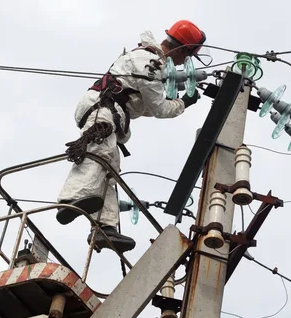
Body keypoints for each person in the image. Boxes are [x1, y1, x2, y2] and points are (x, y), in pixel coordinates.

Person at [56, 20, 206, 252]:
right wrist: (183, 102)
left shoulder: (147, 60)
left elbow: (142, 106)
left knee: (110, 169)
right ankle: (69, 201)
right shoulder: (151, 65)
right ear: (181, 49)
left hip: (110, 110)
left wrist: (176, 100)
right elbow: (158, 109)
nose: (183, 63)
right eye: (186, 56)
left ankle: (105, 229)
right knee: (99, 154)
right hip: (103, 109)